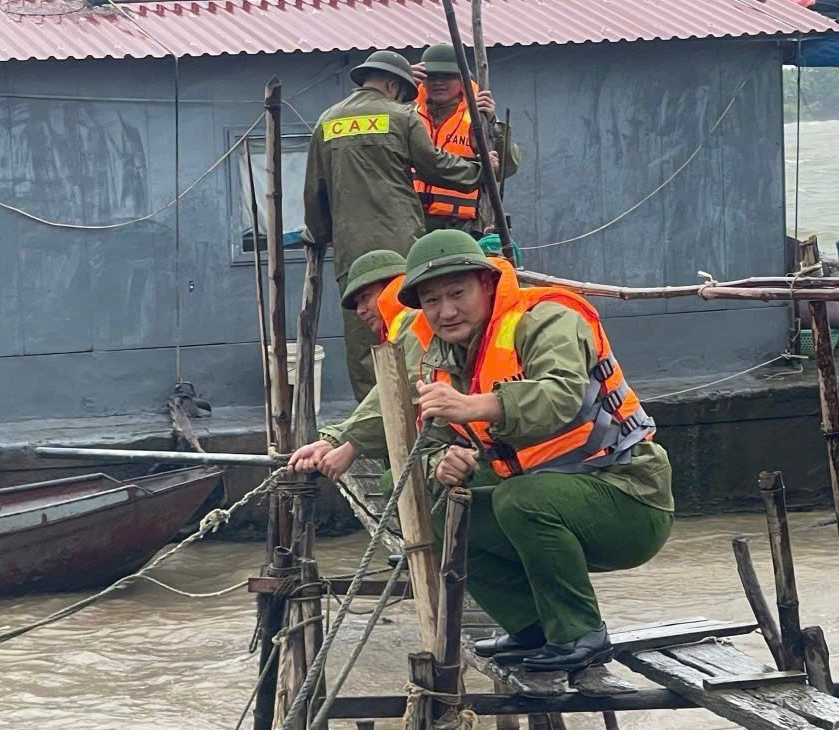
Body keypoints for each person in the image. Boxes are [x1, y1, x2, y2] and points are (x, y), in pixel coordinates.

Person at [394, 229, 674, 672]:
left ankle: (581, 633)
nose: (445, 311)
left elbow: (559, 395)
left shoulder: (548, 318)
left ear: (486, 284)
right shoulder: (446, 356)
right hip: (552, 494)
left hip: (628, 493)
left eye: (457, 293)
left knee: (519, 499)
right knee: (446, 511)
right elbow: (431, 440)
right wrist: (446, 462)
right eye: (431, 301)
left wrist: (475, 405)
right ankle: (532, 627)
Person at [303, 49, 496, 403]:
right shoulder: (401, 116)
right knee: (412, 331)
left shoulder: (326, 121)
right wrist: (481, 170)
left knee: (366, 343)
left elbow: (315, 193)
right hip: (401, 248)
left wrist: (319, 236)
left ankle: (374, 426)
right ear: (393, 85)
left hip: (352, 251)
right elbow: (435, 166)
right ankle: (421, 409)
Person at [288, 250, 432, 481]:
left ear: (392, 287)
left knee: (395, 483)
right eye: (356, 304)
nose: (360, 310)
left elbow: (406, 385)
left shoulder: (414, 319)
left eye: (365, 296)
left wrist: (348, 443)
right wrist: (334, 439)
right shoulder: (400, 327)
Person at [411, 43, 521, 235]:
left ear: (463, 80)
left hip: (461, 226)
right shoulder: (406, 113)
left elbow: (506, 168)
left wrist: (493, 126)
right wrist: (400, 86)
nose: (438, 82)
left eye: (448, 76)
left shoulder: (478, 118)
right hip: (412, 222)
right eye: (432, 76)